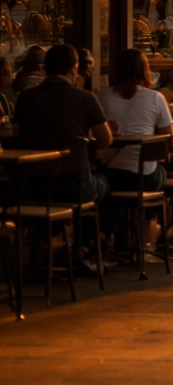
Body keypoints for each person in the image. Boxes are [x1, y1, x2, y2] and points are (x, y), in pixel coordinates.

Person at [13, 45, 113, 275]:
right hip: (73, 185)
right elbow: (105, 139)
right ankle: (82, 249)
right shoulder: (85, 97)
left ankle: (44, 245)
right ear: (74, 68)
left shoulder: (25, 98)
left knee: (59, 192)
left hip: (30, 187)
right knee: (103, 185)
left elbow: (19, 136)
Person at [99, 49, 173, 247]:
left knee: (119, 184)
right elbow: (170, 138)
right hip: (144, 177)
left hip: (111, 173)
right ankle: (145, 230)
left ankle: (113, 236)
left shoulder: (102, 97)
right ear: (145, 70)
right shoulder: (156, 98)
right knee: (160, 173)